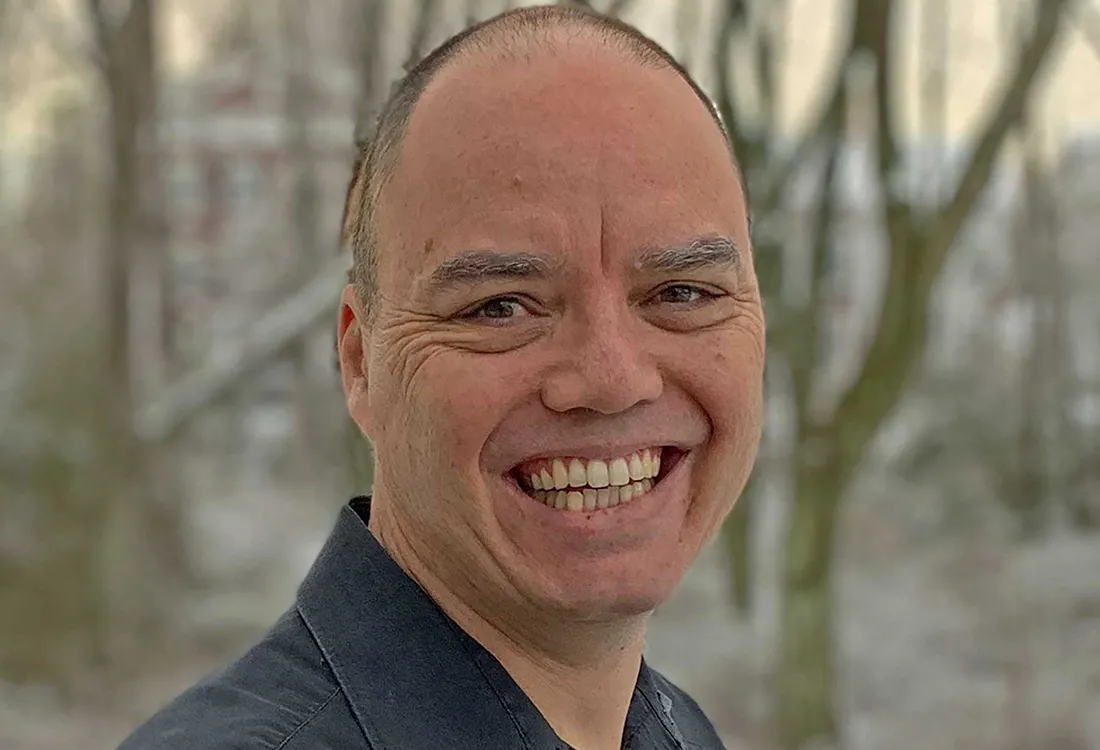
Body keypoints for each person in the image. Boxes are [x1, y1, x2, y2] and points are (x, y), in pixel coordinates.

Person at [116, 4, 763, 749]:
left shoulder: (679, 732)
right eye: (500, 308)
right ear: (361, 363)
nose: (612, 380)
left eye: (683, 293)